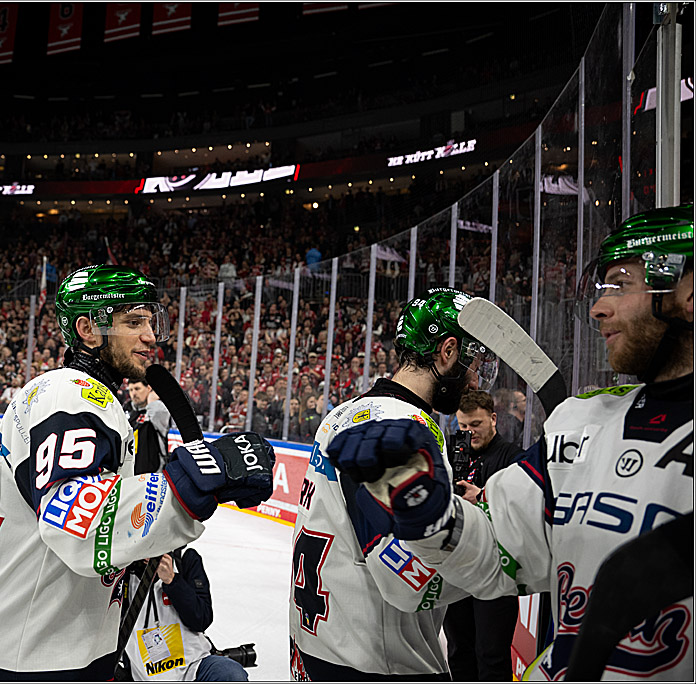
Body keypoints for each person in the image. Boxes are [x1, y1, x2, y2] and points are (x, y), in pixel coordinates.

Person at [334, 205, 694, 680]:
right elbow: (494, 554)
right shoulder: (580, 425)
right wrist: (430, 512)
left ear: (688, 293)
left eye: (621, 284)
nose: (597, 307)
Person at [0, 264, 275, 680]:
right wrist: (190, 485)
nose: (151, 336)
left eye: (151, 322)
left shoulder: (82, 398)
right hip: (26, 659)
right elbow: (77, 523)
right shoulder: (73, 397)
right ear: (88, 329)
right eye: (133, 321)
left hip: (26, 644)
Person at [289, 287, 498, 680]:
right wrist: (495, 541)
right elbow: (407, 581)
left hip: (325, 644)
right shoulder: (404, 428)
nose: (474, 381)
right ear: (448, 351)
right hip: (377, 660)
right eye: (473, 364)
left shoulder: (345, 412)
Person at [443, 390, 523, 681]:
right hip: (457, 568)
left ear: (492, 418)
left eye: (475, 424)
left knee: (491, 656)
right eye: (462, 426)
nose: (468, 433)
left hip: (496, 572)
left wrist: (485, 498)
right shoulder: (449, 455)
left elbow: (524, 507)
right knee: (459, 651)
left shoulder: (513, 456)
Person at [120, 546, 249, 681]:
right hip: (143, 674)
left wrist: (172, 580)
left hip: (195, 667)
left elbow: (201, 619)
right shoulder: (121, 571)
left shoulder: (185, 559)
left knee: (230, 674)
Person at [126, 377, 171, 475]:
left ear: (149, 388)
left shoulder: (158, 409)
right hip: (131, 473)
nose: (133, 393)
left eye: (137, 389)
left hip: (153, 475)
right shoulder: (128, 410)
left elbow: (157, 413)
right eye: (130, 390)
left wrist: (152, 399)